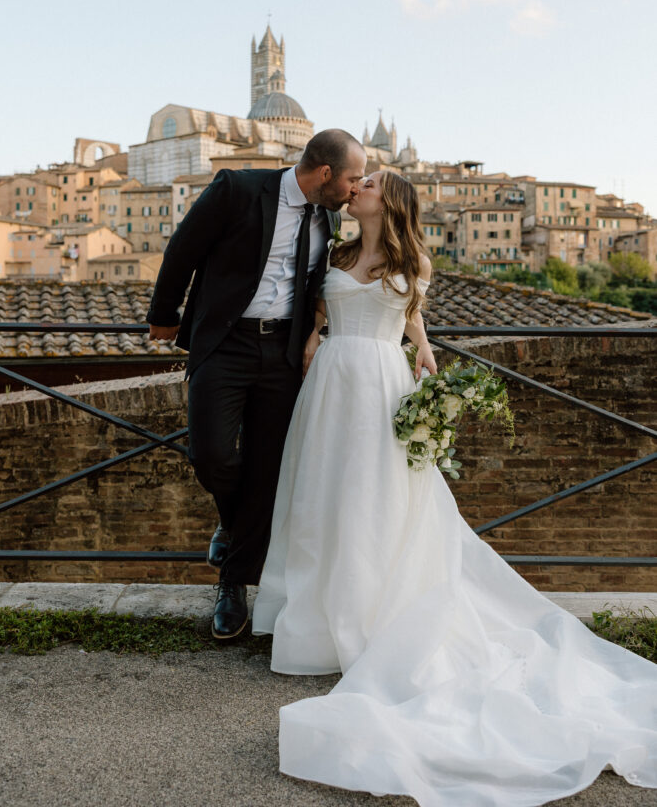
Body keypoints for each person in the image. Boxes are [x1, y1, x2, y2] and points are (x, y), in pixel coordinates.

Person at [252, 170, 657, 806]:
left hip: (382, 385)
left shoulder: (413, 260)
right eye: (355, 180)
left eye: (368, 183)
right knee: (320, 499)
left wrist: (425, 355)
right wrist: (308, 338)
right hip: (330, 384)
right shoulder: (334, 249)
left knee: (376, 500)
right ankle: (313, 620)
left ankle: (365, 614)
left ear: (389, 200)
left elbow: (412, 316)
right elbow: (322, 309)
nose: (355, 187)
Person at [146, 129, 367, 639]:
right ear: (326, 173)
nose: (357, 189)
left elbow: (315, 285)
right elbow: (183, 248)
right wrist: (164, 313)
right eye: (353, 178)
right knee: (211, 454)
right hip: (225, 343)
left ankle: (233, 584)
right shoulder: (238, 189)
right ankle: (230, 521)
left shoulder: (329, 216)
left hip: (284, 354)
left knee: (269, 471)